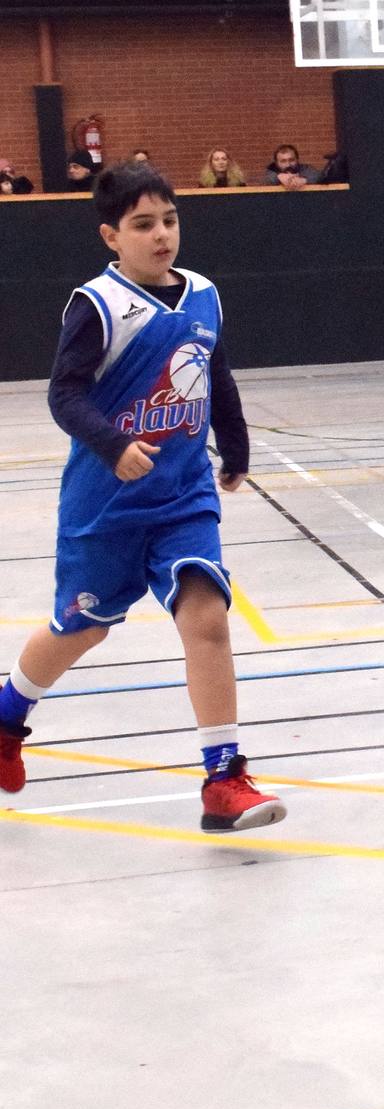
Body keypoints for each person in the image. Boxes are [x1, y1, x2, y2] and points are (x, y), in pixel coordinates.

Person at [0, 164, 287, 831]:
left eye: (169, 220)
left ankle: (223, 777)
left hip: (183, 498)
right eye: (142, 225)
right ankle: (9, 715)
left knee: (207, 616)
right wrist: (113, 446)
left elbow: (216, 375)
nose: (161, 235)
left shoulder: (205, 296)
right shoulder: (97, 305)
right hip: (106, 506)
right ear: (112, 234)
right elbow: (63, 395)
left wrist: (235, 444)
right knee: (84, 627)